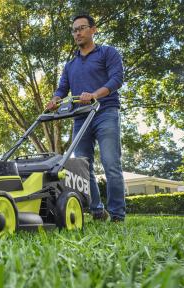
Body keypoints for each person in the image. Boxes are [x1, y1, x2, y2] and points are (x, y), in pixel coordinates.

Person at [46, 14, 125, 222]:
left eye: (82, 28)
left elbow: (117, 79)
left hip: (105, 112)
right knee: (82, 167)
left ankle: (117, 215)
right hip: (80, 117)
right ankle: (97, 211)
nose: (78, 33)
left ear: (93, 29)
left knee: (111, 164)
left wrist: (94, 95)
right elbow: (62, 88)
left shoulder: (108, 53)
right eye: (74, 30)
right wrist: (55, 99)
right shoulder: (70, 65)